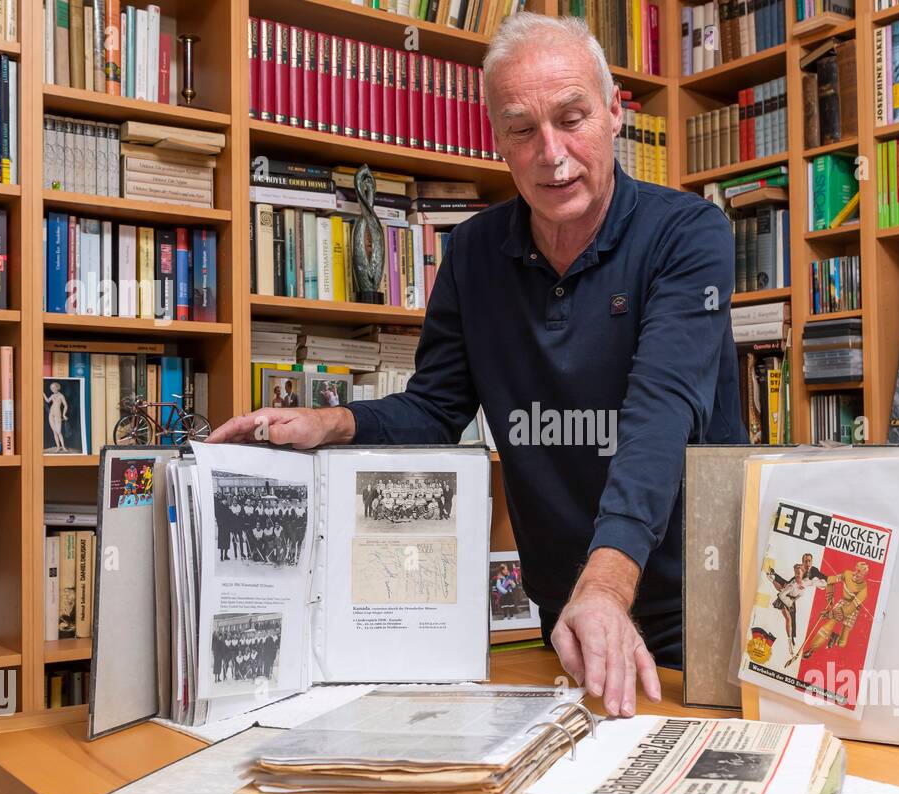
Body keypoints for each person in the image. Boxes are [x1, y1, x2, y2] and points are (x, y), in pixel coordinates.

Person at [208, 15, 744, 717]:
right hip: (572, 618)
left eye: (573, 118)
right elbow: (434, 410)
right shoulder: (470, 254)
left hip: (699, 609)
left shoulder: (689, 233)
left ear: (615, 115)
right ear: (498, 140)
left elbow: (660, 414)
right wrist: (328, 423)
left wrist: (609, 586)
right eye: (522, 129)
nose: (552, 154)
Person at [45, 381, 70, 452]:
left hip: (58, 414)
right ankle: (58, 447)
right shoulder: (52, 395)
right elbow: (47, 401)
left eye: (53, 387)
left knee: (59, 432)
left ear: (57, 387)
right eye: (51, 388)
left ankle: (63, 447)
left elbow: (65, 405)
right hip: (51, 414)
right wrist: (43, 394)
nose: (52, 389)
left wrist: (64, 414)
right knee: (54, 432)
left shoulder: (61, 396)